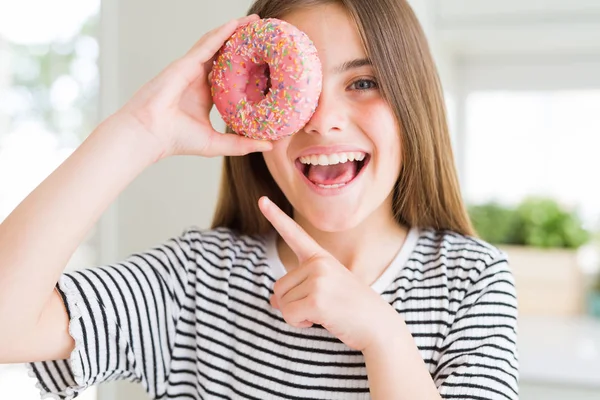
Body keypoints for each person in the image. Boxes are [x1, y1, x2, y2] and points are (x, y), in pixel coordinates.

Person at [0, 0, 519, 399]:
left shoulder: (472, 282)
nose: (322, 119)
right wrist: (138, 132)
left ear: (413, 99)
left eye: (363, 82)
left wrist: (384, 338)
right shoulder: (198, 279)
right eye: (290, 87)